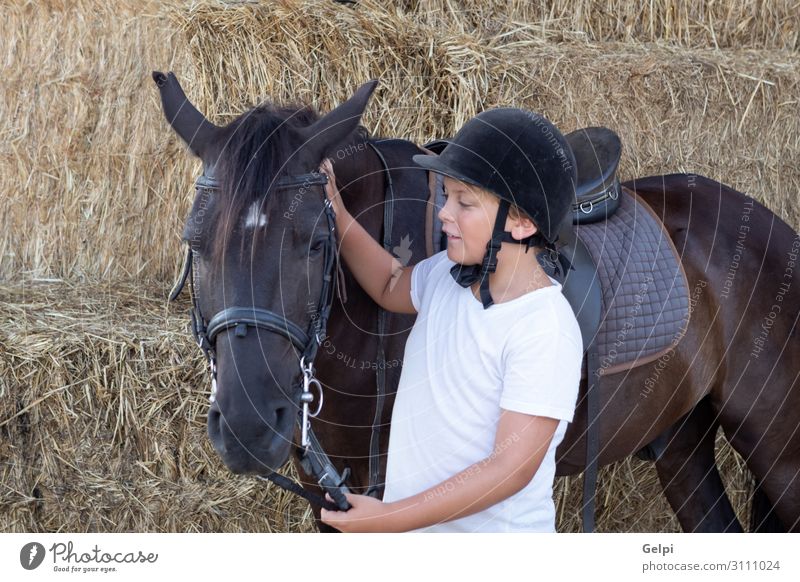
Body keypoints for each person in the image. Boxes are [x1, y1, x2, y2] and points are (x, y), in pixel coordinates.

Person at [318, 108, 583, 532]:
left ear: (521, 221)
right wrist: (339, 213)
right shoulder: (445, 274)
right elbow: (389, 283)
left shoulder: (544, 327)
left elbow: (508, 469)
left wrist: (390, 518)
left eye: (464, 202)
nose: (444, 213)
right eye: (447, 196)